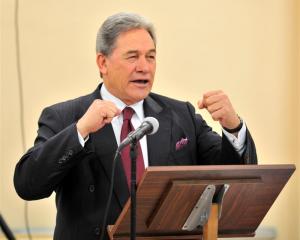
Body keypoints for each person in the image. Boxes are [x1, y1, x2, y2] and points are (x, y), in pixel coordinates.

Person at [14, 12, 257, 240]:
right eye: (133, 57)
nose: (145, 67)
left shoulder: (180, 115)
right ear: (103, 62)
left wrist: (233, 127)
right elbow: (28, 185)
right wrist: (80, 131)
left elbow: (233, 177)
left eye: (150, 56)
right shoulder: (66, 117)